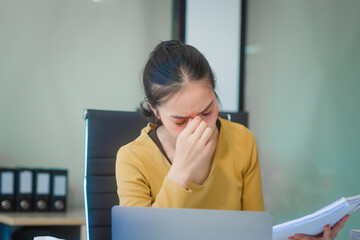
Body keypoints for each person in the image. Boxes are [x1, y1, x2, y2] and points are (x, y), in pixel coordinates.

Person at [115, 40, 349, 239]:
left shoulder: (241, 140)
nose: (198, 127)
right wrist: (180, 171)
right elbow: (141, 235)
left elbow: (255, 232)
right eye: (180, 121)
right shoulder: (132, 158)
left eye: (207, 112)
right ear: (154, 109)